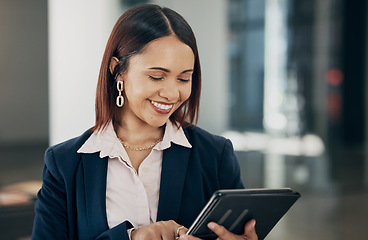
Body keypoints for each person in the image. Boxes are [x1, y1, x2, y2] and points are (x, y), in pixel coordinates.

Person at [32, 4, 258, 240]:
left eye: (183, 78)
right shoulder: (64, 164)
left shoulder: (214, 155)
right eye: (156, 76)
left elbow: (240, 233)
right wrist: (131, 237)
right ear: (117, 70)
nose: (171, 93)